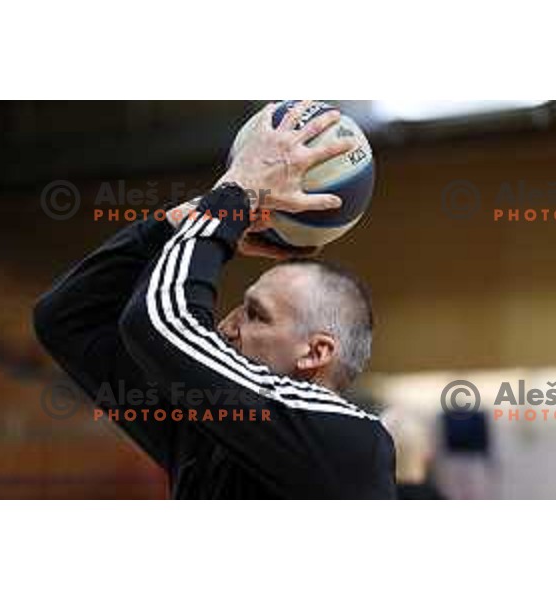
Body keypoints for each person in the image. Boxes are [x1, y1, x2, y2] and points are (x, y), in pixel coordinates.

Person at [34, 101, 396, 499]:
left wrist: (234, 196)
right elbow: (68, 316)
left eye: (256, 315)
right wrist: (191, 218)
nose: (225, 325)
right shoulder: (214, 432)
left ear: (315, 352)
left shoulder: (347, 440)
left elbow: (160, 322)